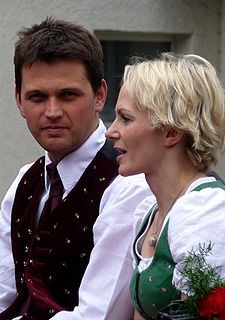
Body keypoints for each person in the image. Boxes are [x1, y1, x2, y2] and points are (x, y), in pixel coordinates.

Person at [0, 17, 154, 320]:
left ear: (99, 96)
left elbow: (98, 315)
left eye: (68, 95)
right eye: (37, 97)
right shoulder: (24, 181)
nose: (53, 112)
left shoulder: (129, 185)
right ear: (19, 100)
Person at [106, 53, 225, 320]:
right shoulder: (150, 214)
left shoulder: (206, 214)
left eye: (126, 118)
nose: (110, 131)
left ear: (171, 133)